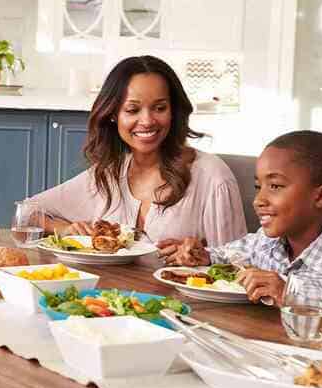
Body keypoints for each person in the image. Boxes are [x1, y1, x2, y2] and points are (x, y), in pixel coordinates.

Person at [26, 55, 246, 246]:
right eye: (132, 110)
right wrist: (64, 229)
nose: (148, 121)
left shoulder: (213, 178)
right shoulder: (108, 174)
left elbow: (238, 265)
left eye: (160, 108)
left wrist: (201, 256)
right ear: (113, 114)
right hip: (110, 293)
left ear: (173, 111)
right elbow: (27, 213)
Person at [163, 131, 322, 319]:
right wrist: (202, 256)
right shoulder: (264, 242)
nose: (258, 200)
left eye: (275, 186)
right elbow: (226, 255)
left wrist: (289, 292)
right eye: (258, 187)